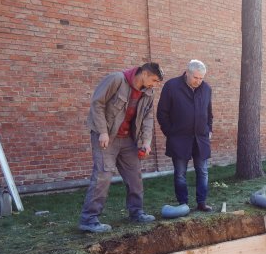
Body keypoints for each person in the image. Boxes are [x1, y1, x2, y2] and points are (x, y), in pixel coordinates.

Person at [78, 62, 164, 233]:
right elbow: (97, 103)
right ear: (145, 74)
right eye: (154, 80)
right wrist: (102, 131)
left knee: (135, 177)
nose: (155, 85)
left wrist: (146, 142)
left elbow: (147, 118)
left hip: (128, 140)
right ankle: (89, 220)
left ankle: (136, 213)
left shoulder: (148, 93)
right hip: (106, 137)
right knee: (103, 175)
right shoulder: (117, 79)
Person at [157, 60, 215, 212]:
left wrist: (209, 129)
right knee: (180, 173)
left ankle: (201, 202)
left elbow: (209, 113)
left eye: (201, 78)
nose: (199, 81)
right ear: (187, 73)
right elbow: (162, 113)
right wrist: (170, 132)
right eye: (196, 77)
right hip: (179, 139)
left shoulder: (206, 88)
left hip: (201, 139)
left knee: (202, 171)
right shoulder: (171, 86)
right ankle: (183, 203)